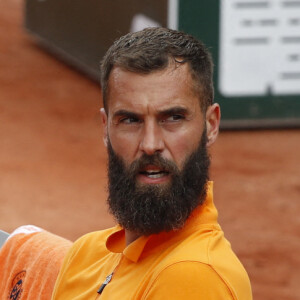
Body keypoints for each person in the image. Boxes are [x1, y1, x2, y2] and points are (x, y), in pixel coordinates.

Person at [52, 27, 252, 299]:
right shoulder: (85, 254)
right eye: (130, 120)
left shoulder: (193, 276)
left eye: (173, 118)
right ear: (105, 128)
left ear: (211, 125)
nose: (149, 144)